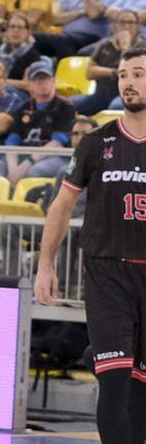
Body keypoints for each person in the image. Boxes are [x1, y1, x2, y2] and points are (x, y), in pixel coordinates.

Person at [35, 47, 146, 444]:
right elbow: (61, 206)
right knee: (113, 381)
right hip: (106, 272)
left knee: (139, 390)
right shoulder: (97, 142)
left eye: (138, 74)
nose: (129, 82)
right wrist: (45, 264)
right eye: (123, 75)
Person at [0, 62, 76, 184]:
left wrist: (26, 164)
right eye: (36, 80)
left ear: (53, 81)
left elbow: (56, 144)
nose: (42, 83)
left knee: (35, 171)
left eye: (45, 79)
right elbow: (12, 142)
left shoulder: (66, 107)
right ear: (29, 84)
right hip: (22, 155)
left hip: (53, 156)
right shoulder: (22, 108)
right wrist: (13, 168)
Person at [72, 10, 145, 116]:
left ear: (138, 27)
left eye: (130, 22)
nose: (126, 26)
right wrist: (114, 72)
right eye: (122, 22)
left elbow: (128, 74)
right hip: (100, 94)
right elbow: (89, 73)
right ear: (115, 26)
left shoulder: (143, 47)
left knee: (115, 107)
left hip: (128, 94)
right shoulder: (106, 44)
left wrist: (125, 48)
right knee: (68, 104)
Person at [0, 12, 47, 91]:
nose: (15, 30)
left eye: (20, 27)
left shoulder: (32, 56)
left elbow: (28, 85)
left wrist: (0, 82)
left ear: (27, 33)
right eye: (12, 26)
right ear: (7, 31)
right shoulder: (0, 52)